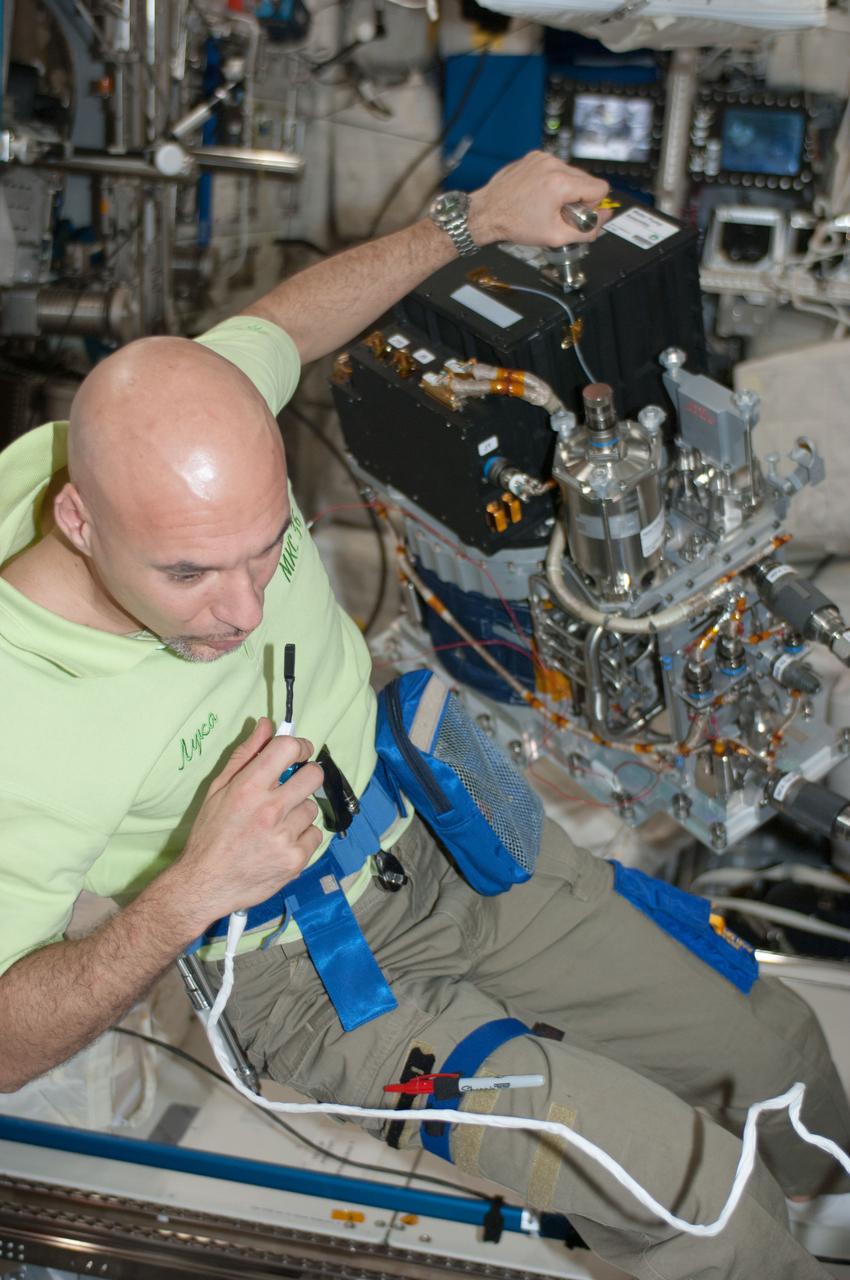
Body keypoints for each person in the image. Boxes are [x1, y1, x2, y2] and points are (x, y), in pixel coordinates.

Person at [0, 150, 848, 1279]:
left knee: (773, 1043)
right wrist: (188, 890)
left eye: (269, 549)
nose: (245, 610)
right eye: (195, 573)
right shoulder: (26, 720)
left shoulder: (184, 423)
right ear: (78, 519)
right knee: (695, 1194)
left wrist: (472, 218)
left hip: (451, 824)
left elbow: (280, 325)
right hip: (311, 965)